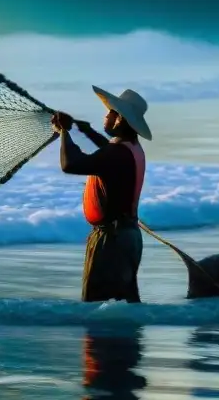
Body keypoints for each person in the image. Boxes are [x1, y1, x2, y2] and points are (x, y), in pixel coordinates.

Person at [50, 86, 151, 303]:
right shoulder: (130, 148)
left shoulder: (117, 154)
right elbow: (106, 150)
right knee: (124, 305)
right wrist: (86, 131)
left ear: (120, 120)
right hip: (128, 236)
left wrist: (64, 133)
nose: (105, 115)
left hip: (112, 240)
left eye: (111, 112)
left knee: (96, 306)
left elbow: (71, 164)